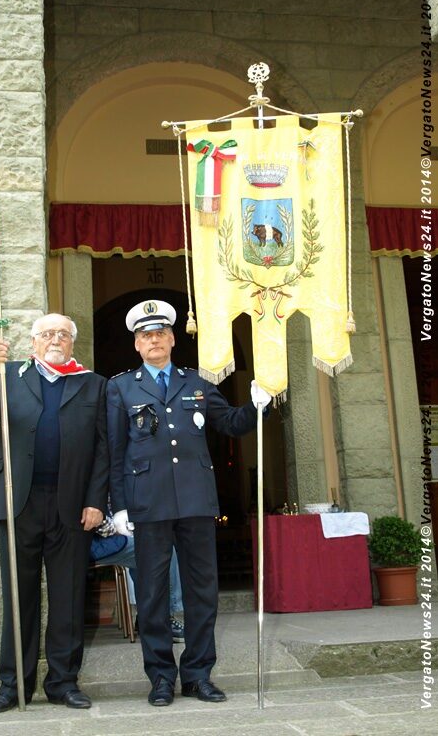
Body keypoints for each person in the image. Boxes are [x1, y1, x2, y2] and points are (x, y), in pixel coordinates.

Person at [107, 300, 270, 706]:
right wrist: (120, 506)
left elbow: (230, 423)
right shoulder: (121, 388)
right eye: (146, 335)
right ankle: (161, 677)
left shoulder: (195, 382)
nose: (154, 340)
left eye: (161, 333)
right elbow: (114, 451)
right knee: (153, 593)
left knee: (201, 592)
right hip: (148, 504)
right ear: (137, 344)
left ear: (172, 339)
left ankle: (198, 675)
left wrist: (257, 405)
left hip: (196, 502)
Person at [0, 313, 108, 714]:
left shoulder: (93, 384)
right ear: (33, 342)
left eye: (63, 334)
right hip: (18, 503)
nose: (55, 340)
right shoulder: (10, 376)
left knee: (69, 596)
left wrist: (96, 501)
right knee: (19, 597)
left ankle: (64, 683)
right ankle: (13, 684)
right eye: (47, 334)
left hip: (73, 506)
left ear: (72, 343)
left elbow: (104, 448)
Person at [90, 514, 185, 642]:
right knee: (162, 548)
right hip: (94, 542)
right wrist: (119, 528)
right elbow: (94, 517)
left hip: (98, 539)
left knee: (145, 548)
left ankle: (148, 617)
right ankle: (164, 617)